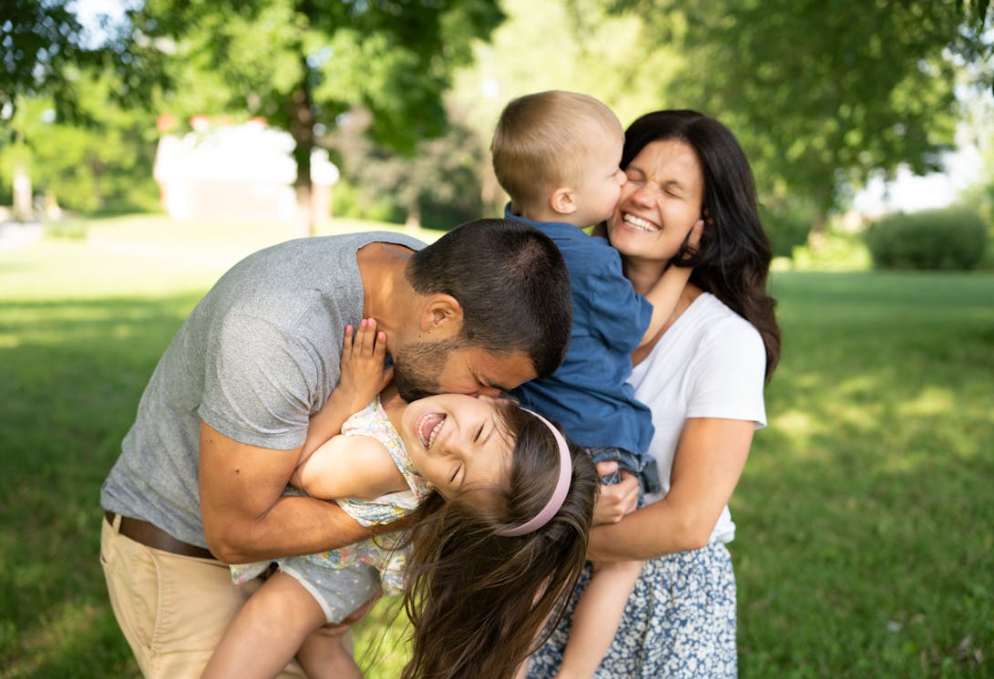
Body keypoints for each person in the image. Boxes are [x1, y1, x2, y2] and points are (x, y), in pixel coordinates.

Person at [99, 218, 574, 678]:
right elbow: (235, 534)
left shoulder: (413, 280)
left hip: (288, 565)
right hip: (187, 555)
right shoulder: (275, 332)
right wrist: (406, 514)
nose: (481, 401)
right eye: (484, 382)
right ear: (440, 316)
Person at [523, 109, 782, 679]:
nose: (641, 197)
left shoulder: (726, 341)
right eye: (633, 176)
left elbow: (688, 521)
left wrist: (545, 537)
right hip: (534, 587)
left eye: (671, 189)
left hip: (660, 596)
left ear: (704, 221)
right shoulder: (542, 290)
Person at [203, 320, 598, 679]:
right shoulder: (435, 391)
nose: (450, 443)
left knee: (272, 619)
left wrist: (349, 395)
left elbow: (304, 472)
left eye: (457, 473)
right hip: (357, 563)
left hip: (330, 571)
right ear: (499, 400)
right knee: (319, 648)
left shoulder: (378, 462)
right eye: (478, 434)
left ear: (447, 496)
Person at [491, 91, 702, 679]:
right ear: (567, 198)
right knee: (618, 565)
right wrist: (684, 265)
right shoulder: (586, 261)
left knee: (531, 571)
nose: (624, 189)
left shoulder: (502, 238)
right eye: (617, 173)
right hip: (600, 438)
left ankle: (509, 666)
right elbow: (637, 325)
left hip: (533, 438)